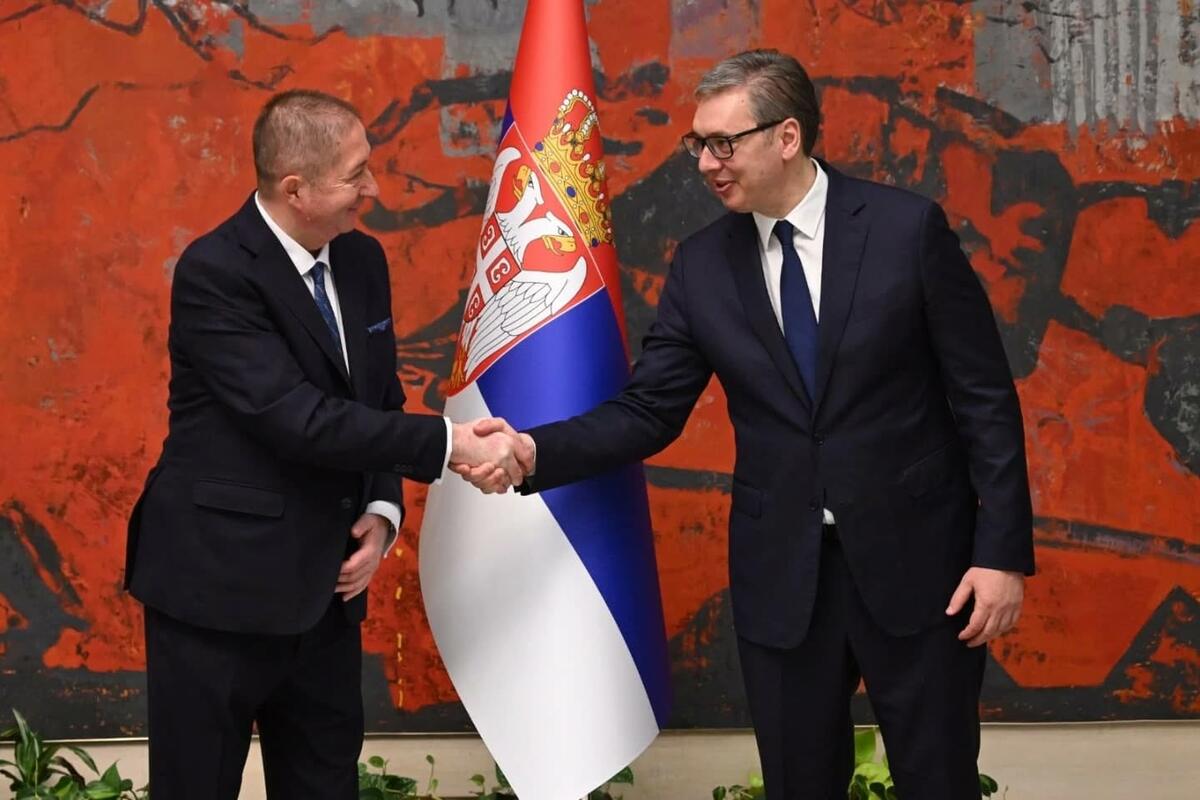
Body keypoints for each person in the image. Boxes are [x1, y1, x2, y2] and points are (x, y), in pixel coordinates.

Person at [461, 50, 1034, 799]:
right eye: (698, 144)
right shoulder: (701, 265)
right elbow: (649, 409)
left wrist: (1001, 554)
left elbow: (985, 398)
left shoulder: (906, 230)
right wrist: (533, 449)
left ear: (787, 136)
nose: (706, 163)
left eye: (723, 143)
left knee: (938, 781)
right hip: (783, 577)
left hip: (923, 566)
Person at [124, 89, 522, 799]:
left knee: (324, 784)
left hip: (328, 596)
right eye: (355, 175)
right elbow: (298, 419)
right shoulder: (216, 273)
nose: (373, 189)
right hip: (216, 592)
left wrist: (382, 509)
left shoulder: (362, 259)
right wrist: (453, 443)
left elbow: (376, 399)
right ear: (295, 189)